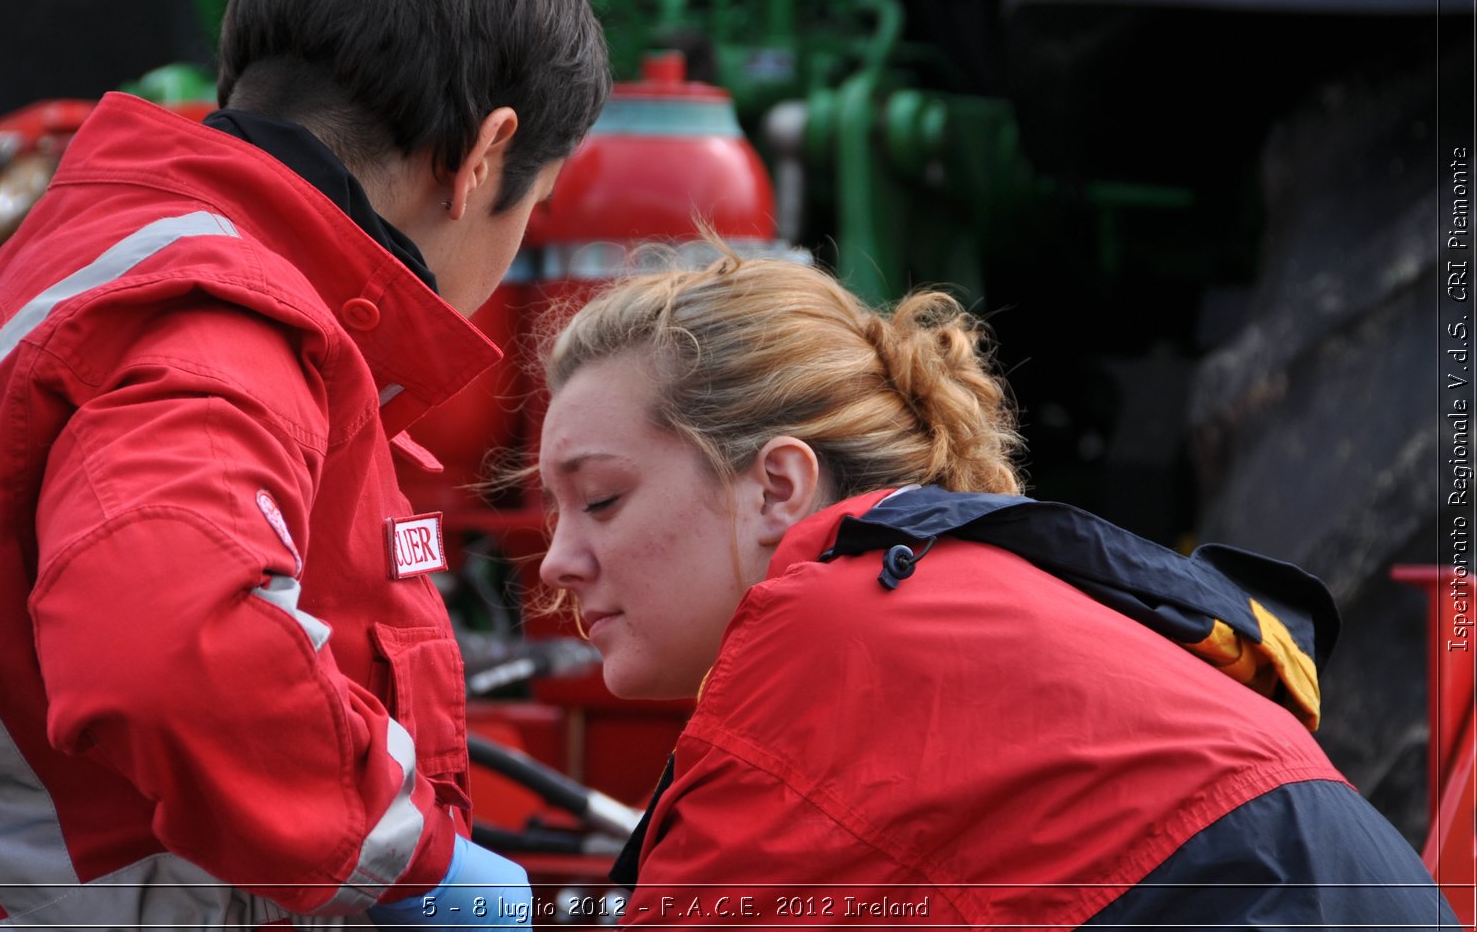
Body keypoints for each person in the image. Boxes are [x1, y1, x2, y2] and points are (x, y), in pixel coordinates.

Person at [0, 0, 609, 926]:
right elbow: (169, 645)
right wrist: (408, 863)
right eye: (527, 205)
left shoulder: (49, 280)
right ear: (481, 157)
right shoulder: (220, 316)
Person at [536, 247, 1458, 929]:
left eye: (603, 499)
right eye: (552, 512)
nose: (556, 561)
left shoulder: (840, 633)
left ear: (778, 486)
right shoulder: (972, 590)